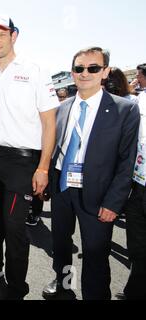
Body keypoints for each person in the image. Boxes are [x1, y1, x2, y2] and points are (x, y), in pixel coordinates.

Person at [0, 15, 58, 300]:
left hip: (22, 160)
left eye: (1, 35)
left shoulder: (34, 70)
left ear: (14, 36)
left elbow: (49, 123)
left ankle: (17, 286)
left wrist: (43, 167)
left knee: (14, 225)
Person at [42, 47, 140, 300]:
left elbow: (126, 162)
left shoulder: (124, 110)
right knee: (61, 245)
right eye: (79, 68)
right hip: (63, 188)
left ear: (105, 71)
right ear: (73, 72)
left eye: (93, 68)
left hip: (99, 195)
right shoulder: (62, 108)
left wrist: (114, 202)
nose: (85, 73)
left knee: (96, 254)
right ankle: (65, 283)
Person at [123, 63, 146, 300]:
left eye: (139, 75)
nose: (137, 78)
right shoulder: (138, 102)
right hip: (138, 185)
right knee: (137, 247)